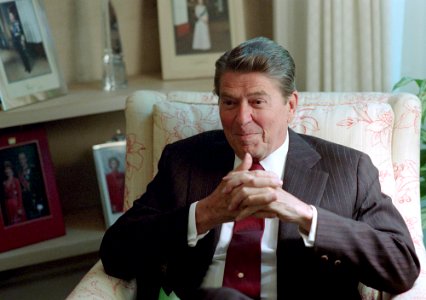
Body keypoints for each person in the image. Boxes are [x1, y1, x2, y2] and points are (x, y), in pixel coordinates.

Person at [100, 37, 420, 299]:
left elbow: (402, 266)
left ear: (290, 105)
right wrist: (204, 213)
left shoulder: (348, 169)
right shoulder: (184, 160)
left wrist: (306, 216)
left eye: (257, 102)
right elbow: (116, 254)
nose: (241, 119)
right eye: (229, 102)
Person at [2, 161, 26, 225]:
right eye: (5, 169)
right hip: (8, 206)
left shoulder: (16, 180)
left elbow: (20, 195)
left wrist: (20, 208)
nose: (6, 171)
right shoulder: (4, 183)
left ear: (11, 169)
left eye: (8, 169)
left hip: (16, 205)